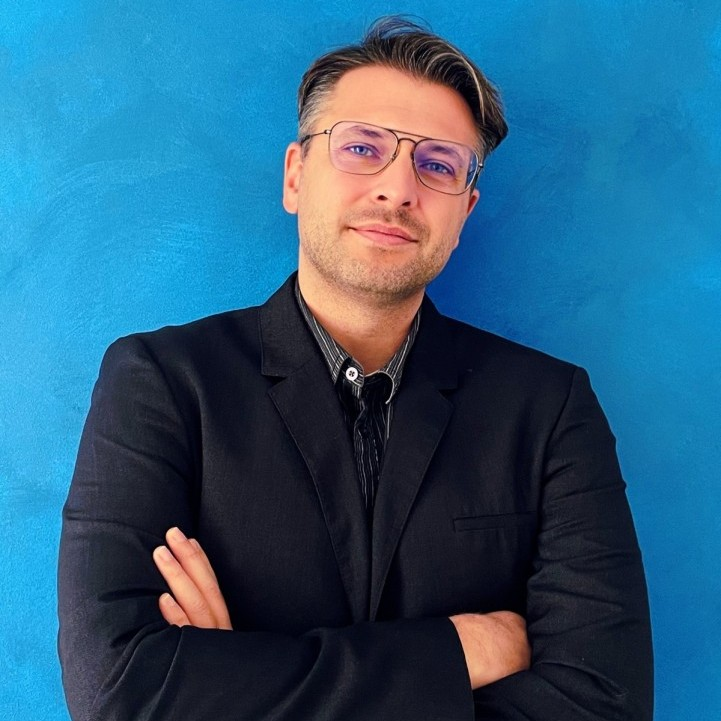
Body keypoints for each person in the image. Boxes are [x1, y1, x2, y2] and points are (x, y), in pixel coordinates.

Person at [58, 16, 653, 721]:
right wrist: (457, 652)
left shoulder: (549, 408)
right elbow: (119, 691)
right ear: (295, 175)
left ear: (465, 211)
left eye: (438, 164)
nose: (397, 188)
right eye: (362, 147)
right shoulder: (162, 382)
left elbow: (604, 704)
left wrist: (231, 685)